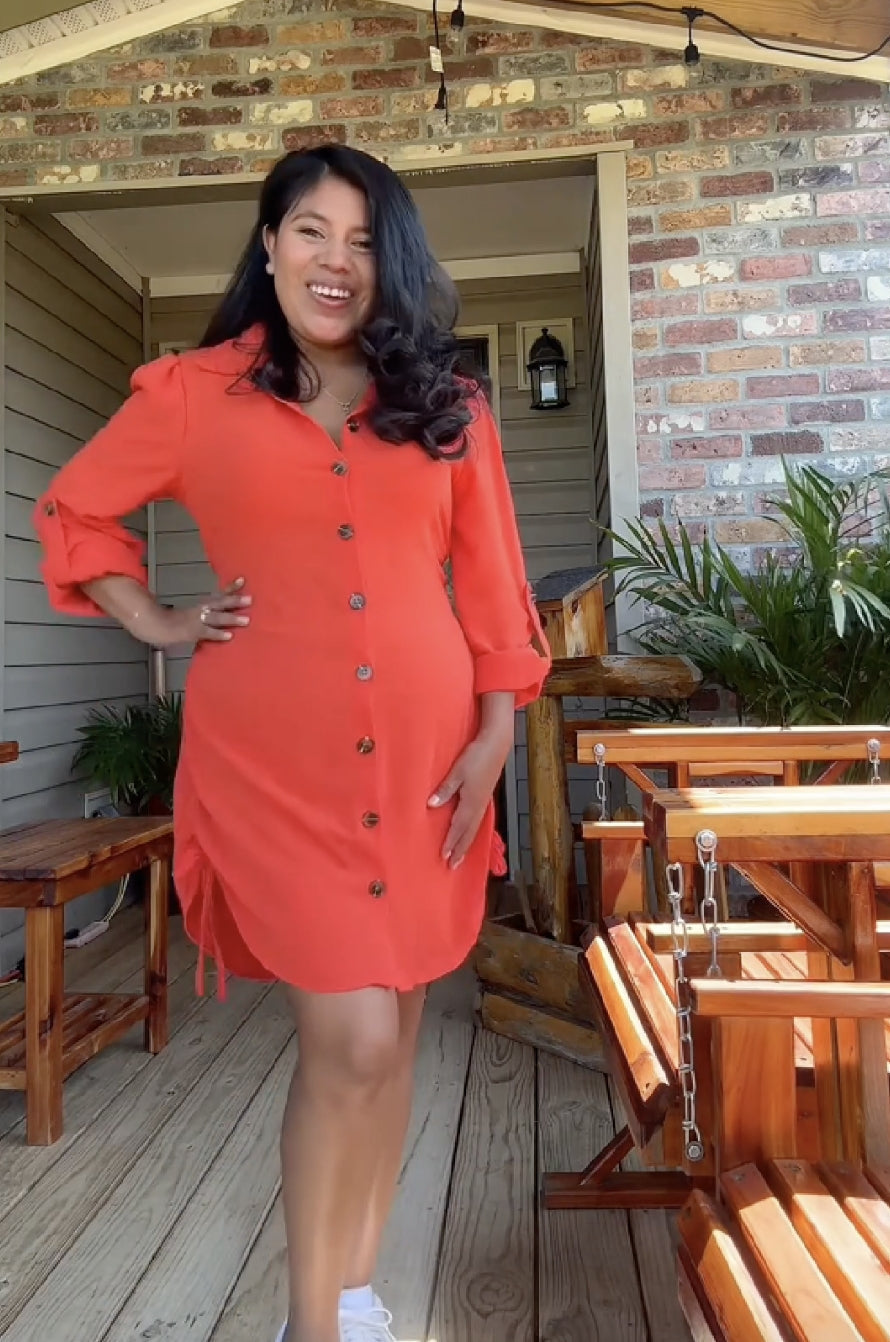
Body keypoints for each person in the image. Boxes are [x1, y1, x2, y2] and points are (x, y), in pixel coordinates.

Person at [34, 144, 550, 1342]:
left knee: (397, 1030)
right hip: (274, 768)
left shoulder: (445, 405)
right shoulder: (190, 394)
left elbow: (493, 585)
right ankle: (309, 1325)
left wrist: (494, 736)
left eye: (364, 241)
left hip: (428, 762)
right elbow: (74, 506)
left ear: (390, 262)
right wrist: (158, 619)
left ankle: (354, 1292)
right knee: (353, 1036)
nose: (336, 260)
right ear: (268, 245)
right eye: (311, 231)